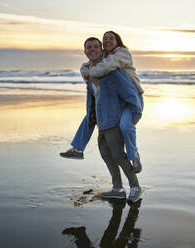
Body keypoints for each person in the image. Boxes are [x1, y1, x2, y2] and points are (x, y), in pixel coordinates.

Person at [61, 37, 143, 201]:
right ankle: (118, 188)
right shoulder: (90, 73)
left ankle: (135, 187)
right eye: (89, 47)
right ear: (85, 52)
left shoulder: (113, 72)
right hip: (101, 122)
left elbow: (131, 94)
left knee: (119, 156)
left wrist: (135, 114)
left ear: (102, 50)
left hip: (114, 122)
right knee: (106, 155)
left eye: (96, 47)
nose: (92, 49)